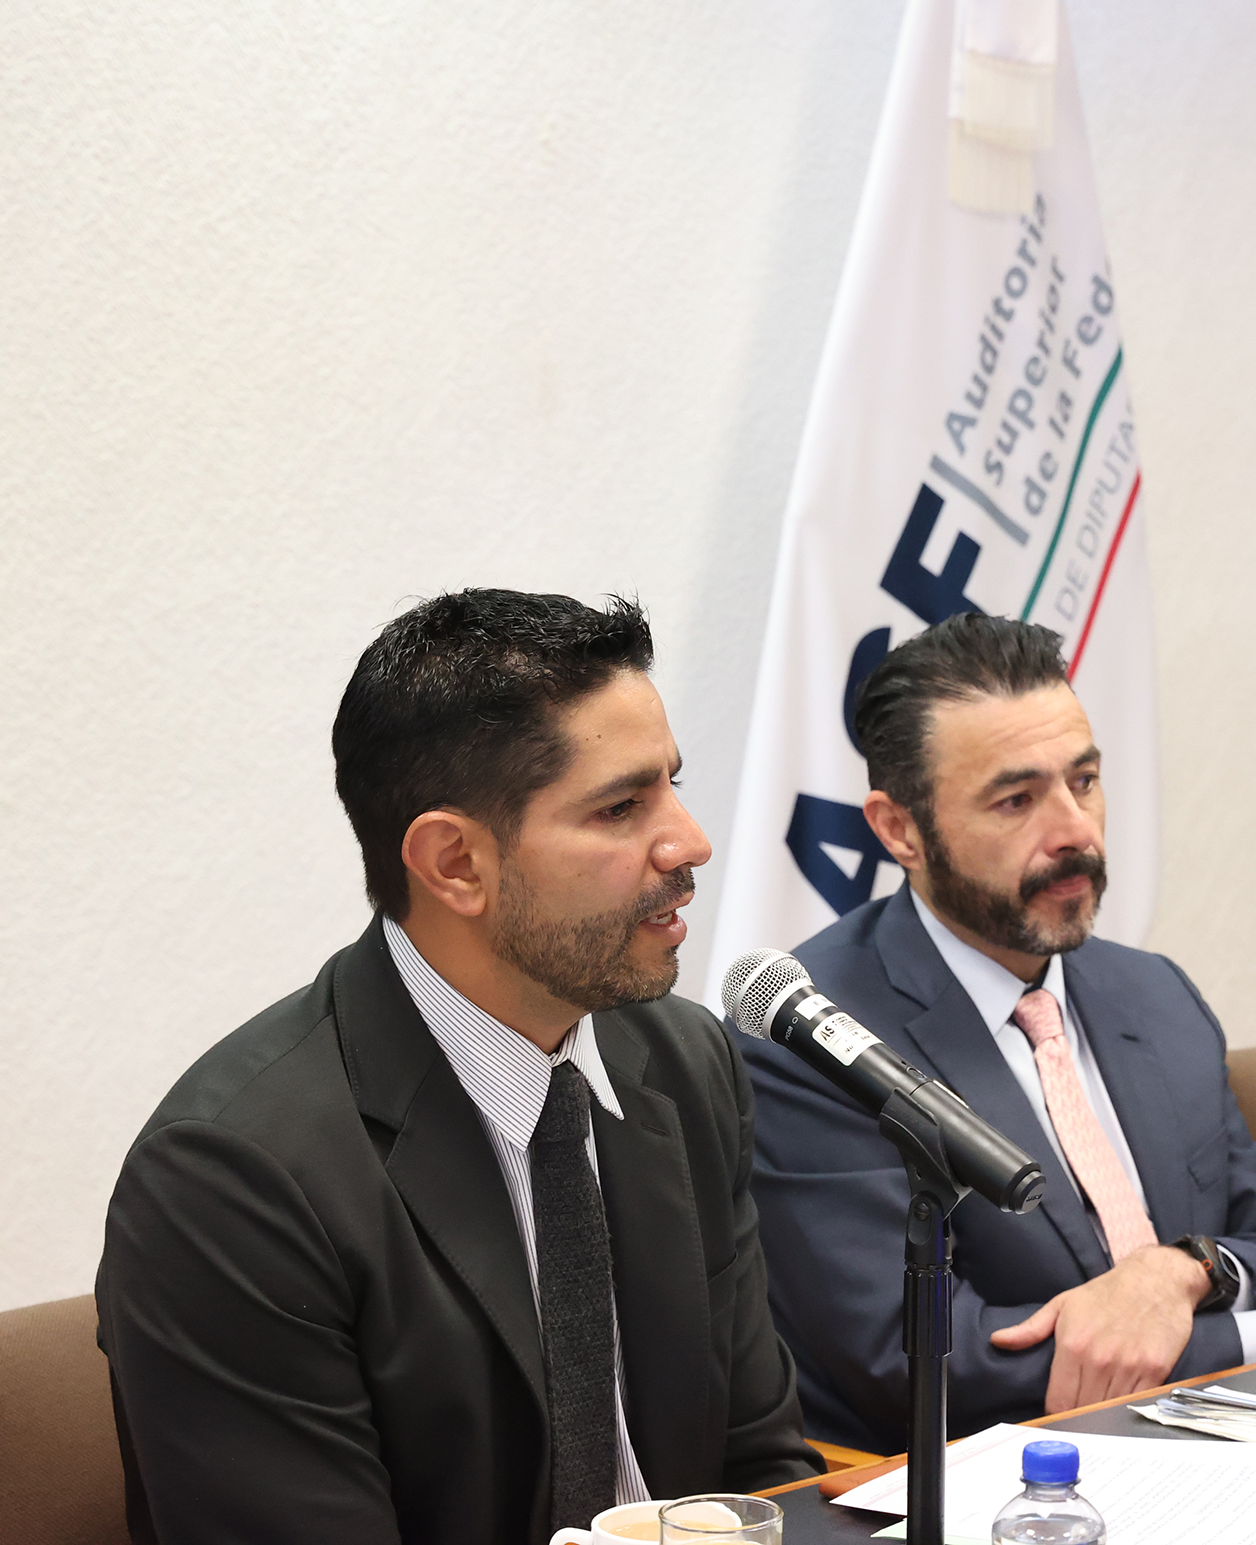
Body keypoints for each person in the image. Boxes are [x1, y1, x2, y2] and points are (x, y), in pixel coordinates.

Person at [96, 590, 818, 1544]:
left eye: (672, 785)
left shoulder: (684, 1063)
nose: (690, 841)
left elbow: (762, 1470)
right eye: (620, 807)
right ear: (455, 864)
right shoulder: (232, 1182)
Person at [736, 613, 1256, 1456]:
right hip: (980, 1476)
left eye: (1083, 781)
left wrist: (1182, 1269)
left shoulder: (1154, 993)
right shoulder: (817, 1034)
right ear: (900, 829)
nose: (1074, 830)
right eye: (1016, 799)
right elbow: (914, 1356)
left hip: (1232, 1446)